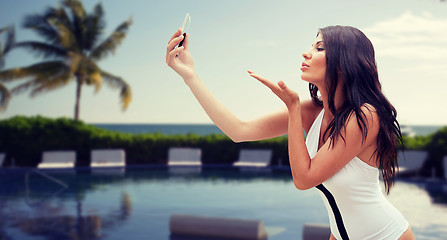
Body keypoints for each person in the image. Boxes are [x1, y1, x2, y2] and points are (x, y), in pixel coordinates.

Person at [166, 25, 415, 240]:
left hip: (387, 235)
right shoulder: (312, 111)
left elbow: (304, 179)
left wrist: (293, 107)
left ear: (343, 63)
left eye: (320, 48)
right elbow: (238, 131)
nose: (306, 52)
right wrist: (190, 76)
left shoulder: (365, 115)